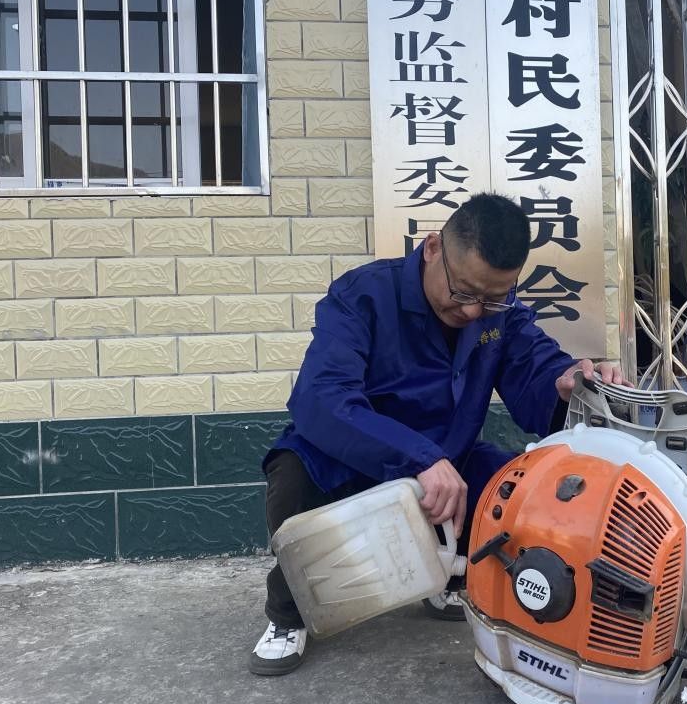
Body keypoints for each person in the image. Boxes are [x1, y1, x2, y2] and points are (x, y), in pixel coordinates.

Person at [250, 192, 625, 675]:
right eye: (463, 292)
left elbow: (534, 366)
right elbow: (321, 399)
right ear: (432, 249)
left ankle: (446, 577)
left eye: (493, 297)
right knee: (294, 473)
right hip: (355, 456)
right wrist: (418, 458)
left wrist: (564, 382)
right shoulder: (361, 296)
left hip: (448, 461)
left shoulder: (499, 313)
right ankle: (288, 613)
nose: (473, 312)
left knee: (520, 489)